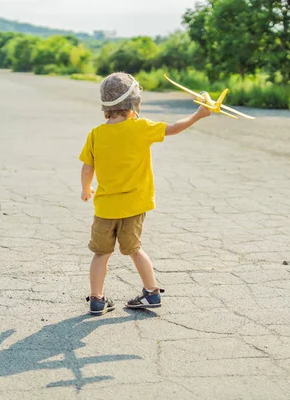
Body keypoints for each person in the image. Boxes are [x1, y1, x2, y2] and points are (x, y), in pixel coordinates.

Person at [79, 72, 211, 315]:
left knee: (101, 253)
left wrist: (86, 190)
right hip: (134, 205)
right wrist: (198, 115)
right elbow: (174, 128)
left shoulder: (96, 134)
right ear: (134, 104)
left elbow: (88, 167)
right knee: (135, 249)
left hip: (106, 208)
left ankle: (97, 300)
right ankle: (151, 292)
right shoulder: (142, 127)